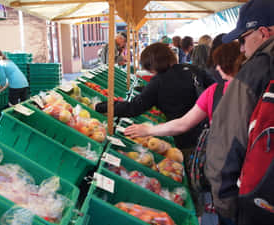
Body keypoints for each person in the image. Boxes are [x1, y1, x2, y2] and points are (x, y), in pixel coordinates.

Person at [204, 0, 274, 224]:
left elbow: (226, 143)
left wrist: (225, 205)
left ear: (263, 32)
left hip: (257, 202)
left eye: (243, 39)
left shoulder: (255, 72)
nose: (242, 49)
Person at [124, 41, 242, 146]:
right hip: (218, 139)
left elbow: (183, 124)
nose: (216, 68)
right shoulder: (239, 91)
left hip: (196, 141)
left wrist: (148, 130)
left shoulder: (214, 91)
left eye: (217, 64)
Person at [96, 42, 203, 153]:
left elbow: (133, 108)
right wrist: (144, 89)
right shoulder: (192, 69)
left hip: (185, 139)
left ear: (153, 65)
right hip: (207, 133)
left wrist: (101, 107)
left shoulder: (159, 81)